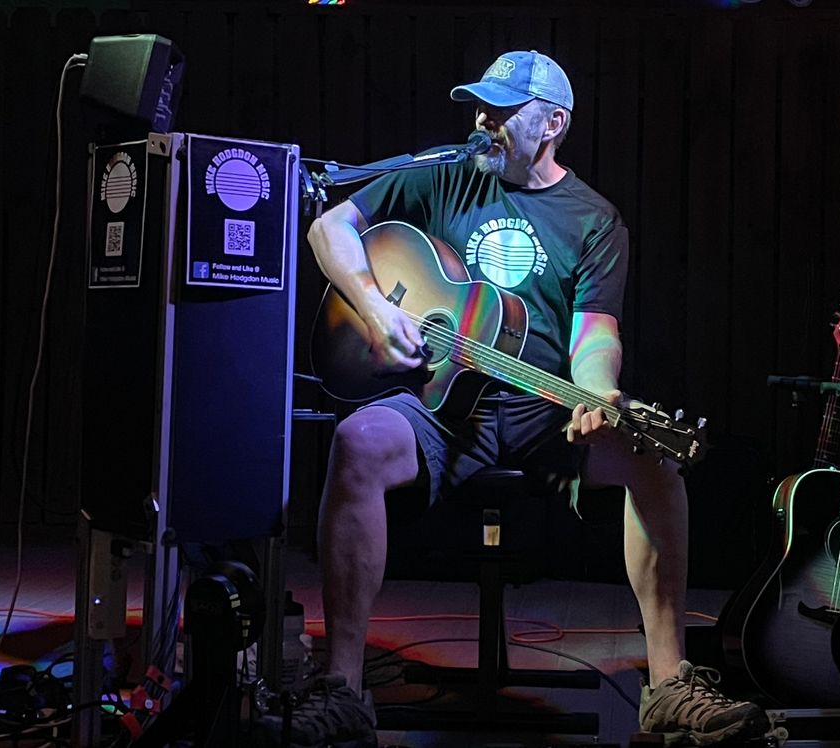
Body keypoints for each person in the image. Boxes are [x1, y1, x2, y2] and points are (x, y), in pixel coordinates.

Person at [264, 50, 768, 748]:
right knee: (356, 440)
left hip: (541, 412)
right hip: (438, 405)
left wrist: (597, 393)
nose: (482, 121)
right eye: (480, 107)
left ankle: (669, 682)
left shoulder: (593, 218)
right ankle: (344, 687)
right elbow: (329, 228)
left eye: (502, 111)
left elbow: (595, 337)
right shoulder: (441, 177)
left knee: (654, 461)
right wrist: (378, 309)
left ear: (553, 123)